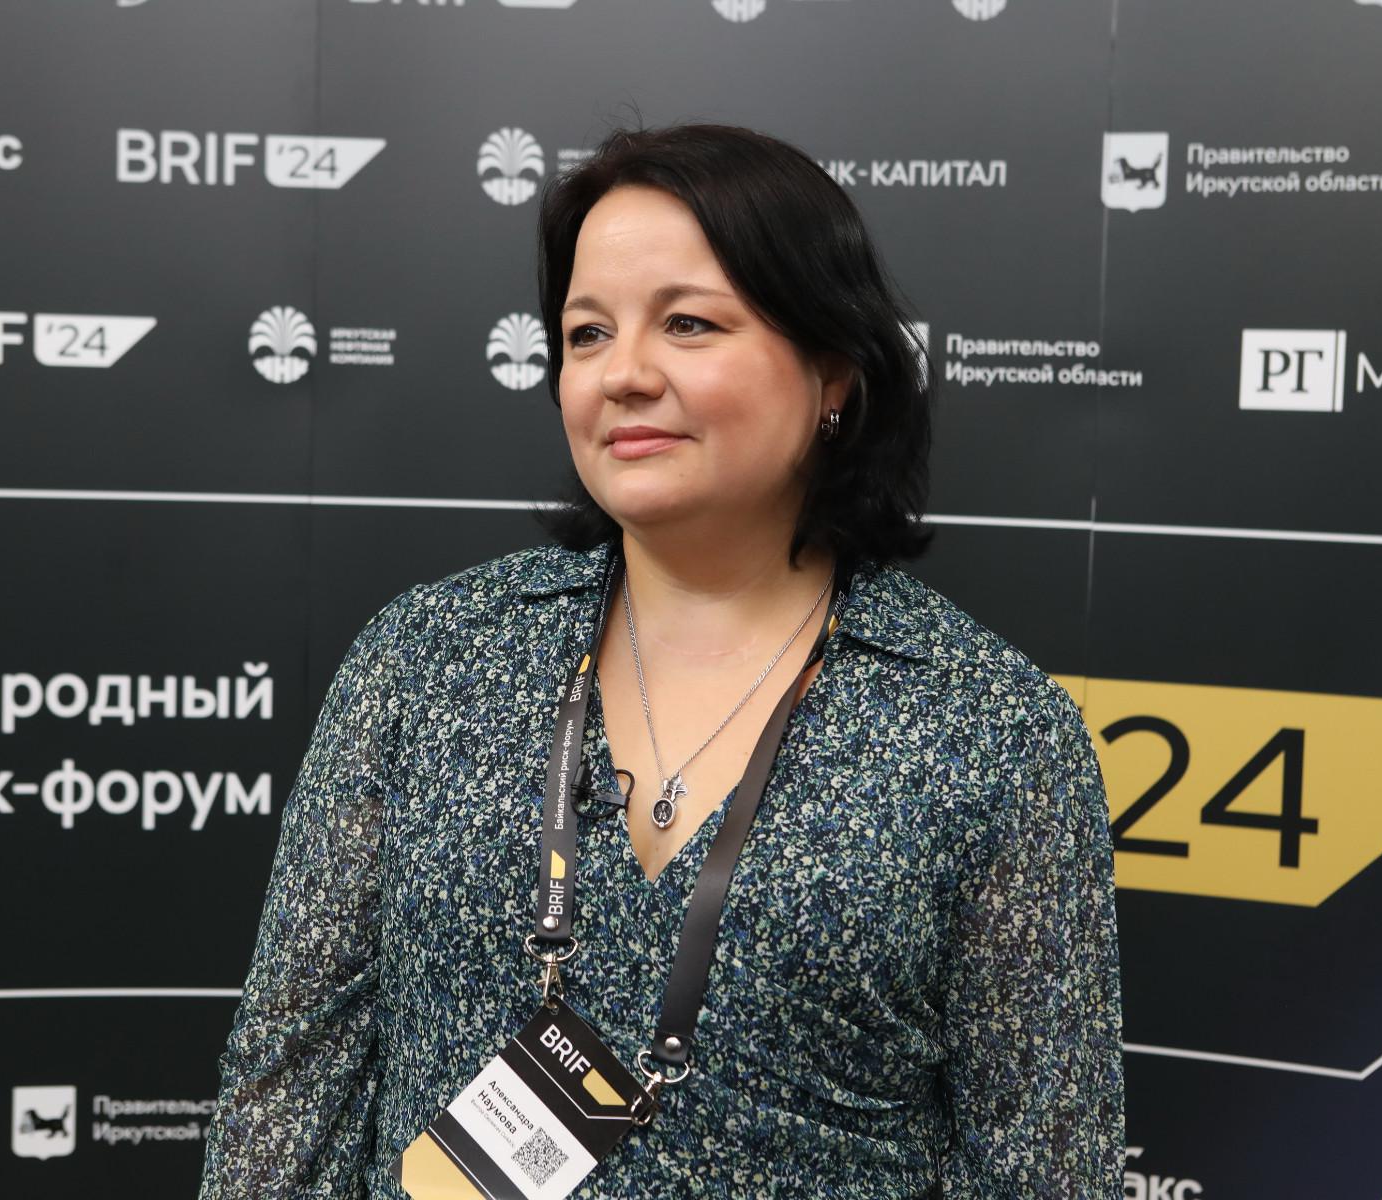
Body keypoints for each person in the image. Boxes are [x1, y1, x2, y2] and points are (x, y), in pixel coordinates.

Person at [199, 122, 1124, 1199]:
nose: (624, 374)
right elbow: (289, 1089)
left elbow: (1045, 1170)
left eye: (688, 323)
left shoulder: (992, 732)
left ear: (834, 371)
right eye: (587, 333)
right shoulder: (427, 659)